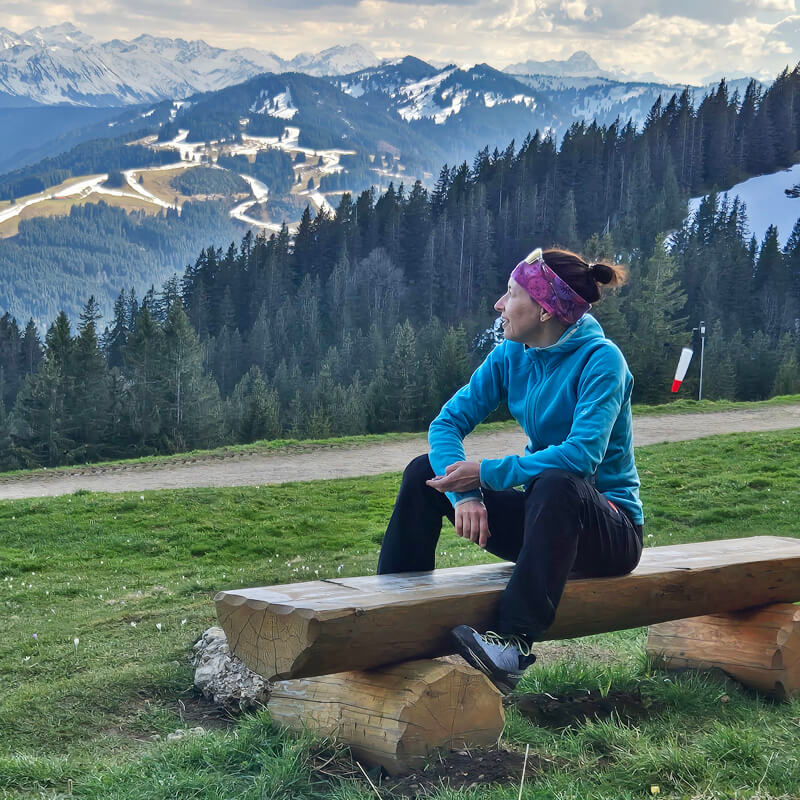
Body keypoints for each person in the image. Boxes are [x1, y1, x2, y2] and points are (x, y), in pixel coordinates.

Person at [377, 247, 644, 693]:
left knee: (557, 482)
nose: (499, 304)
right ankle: (389, 614)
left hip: (610, 533)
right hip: (548, 527)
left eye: (511, 293)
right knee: (424, 473)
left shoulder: (602, 360)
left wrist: (485, 474)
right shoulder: (511, 354)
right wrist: (464, 494)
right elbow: (446, 424)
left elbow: (581, 456)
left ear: (544, 310)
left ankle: (512, 644)